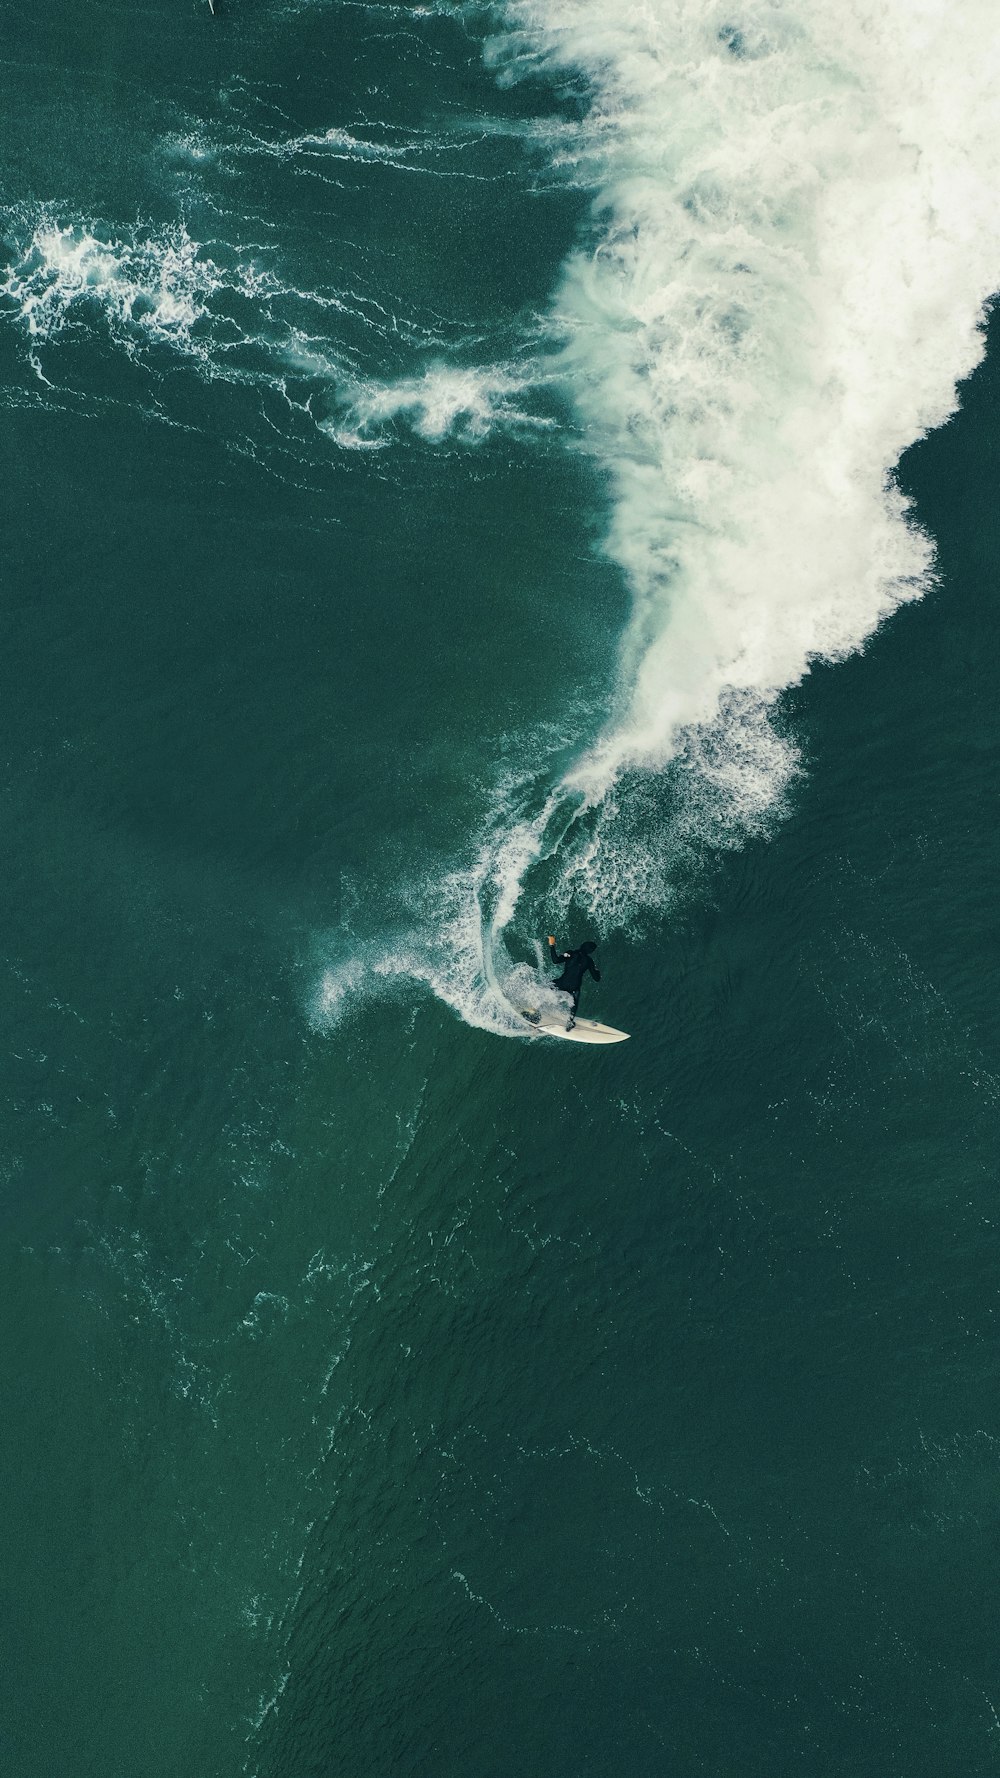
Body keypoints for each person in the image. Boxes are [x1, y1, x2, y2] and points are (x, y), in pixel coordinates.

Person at [546, 935, 600, 1029]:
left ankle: (534, 1009)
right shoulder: (589, 961)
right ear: (590, 952)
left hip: (562, 982)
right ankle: (570, 1022)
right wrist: (597, 970)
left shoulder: (571, 953)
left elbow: (555, 960)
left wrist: (552, 945)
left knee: (546, 987)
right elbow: (597, 978)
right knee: (575, 1000)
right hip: (574, 987)